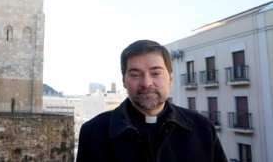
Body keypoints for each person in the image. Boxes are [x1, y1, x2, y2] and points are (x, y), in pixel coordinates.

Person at [76, 39, 227, 162]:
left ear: (170, 79)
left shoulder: (202, 128)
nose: (146, 83)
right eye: (135, 75)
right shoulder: (94, 132)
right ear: (124, 81)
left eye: (156, 73)